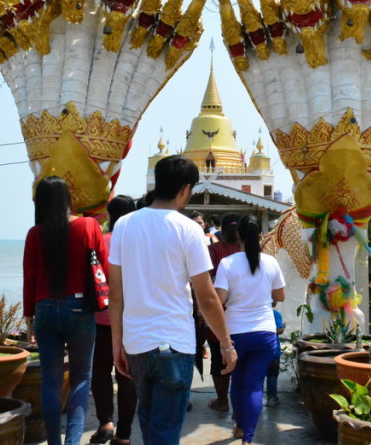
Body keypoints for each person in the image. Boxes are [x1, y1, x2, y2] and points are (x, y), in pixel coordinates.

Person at [109, 155, 237, 445]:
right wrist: (227, 345)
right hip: (175, 344)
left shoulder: (124, 225)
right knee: (165, 433)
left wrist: (118, 345)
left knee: (150, 424)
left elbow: (116, 295)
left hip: (137, 343)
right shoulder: (190, 229)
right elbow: (206, 297)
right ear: (184, 189)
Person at [23, 176, 107, 445]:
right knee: (81, 379)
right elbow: (103, 267)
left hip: (45, 308)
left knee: (51, 381)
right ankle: (72, 442)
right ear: (68, 199)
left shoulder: (35, 234)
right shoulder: (89, 226)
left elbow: (29, 277)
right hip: (80, 308)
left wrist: (28, 319)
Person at [213, 215, 286, 444]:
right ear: (260, 236)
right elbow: (280, 296)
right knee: (255, 385)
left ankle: (240, 427)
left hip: (235, 334)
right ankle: (248, 439)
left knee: (238, 382)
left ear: (238, 235)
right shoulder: (271, 262)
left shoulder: (227, 263)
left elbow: (220, 300)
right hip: (265, 333)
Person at [90, 195, 137, 445]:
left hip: (101, 319)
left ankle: (106, 422)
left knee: (100, 372)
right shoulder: (140, 244)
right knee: (127, 376)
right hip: (132, 321)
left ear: (109, 216)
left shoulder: (102, 241)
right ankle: (124, 434)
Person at [205, 213, 243, 412]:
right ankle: (240, 407)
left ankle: (222, 401)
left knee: (218, 359)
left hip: (220, 313)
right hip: (243, 314)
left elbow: (206, 280)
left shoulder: (214, 250)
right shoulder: (249, 251)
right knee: (242, 361)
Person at [264, 304, 285, 406]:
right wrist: (283, 327)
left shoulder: (256, 314)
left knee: (257, 376)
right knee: (272, 375)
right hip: (273, 351)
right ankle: (272, 398)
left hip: (259, 351)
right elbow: (279, 330)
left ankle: (255, 398)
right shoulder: (275, 314)